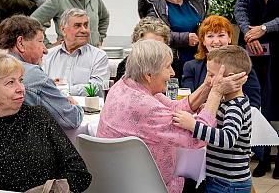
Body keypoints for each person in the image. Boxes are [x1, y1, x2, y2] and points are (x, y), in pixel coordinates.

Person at [97, 39, 247, 193]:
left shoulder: (124, 85)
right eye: (167, 67)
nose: (172, 73)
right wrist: (216, 93)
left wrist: (208, 85)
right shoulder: (145, 106)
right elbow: (197, 139)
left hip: (117, 180)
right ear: (149, 75)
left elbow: (174, 109)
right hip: (148, 184)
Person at [0, 49, 91, 192]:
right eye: (10, 83)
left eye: (20, 80)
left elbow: (79, 172)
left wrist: (52, 189)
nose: (21, 89)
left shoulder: (38, 116)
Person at [173, 45, 252, 192]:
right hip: (219, 179)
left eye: (211, 75)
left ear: (230, 78)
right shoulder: (226, 102)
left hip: (228, 183)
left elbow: (228, 139)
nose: (207, 80)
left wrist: (193, 126)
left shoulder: (235, 107)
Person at [0, 15, 84, 129]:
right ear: (21, 43)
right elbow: (71, 119)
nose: (45, 50)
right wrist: (76, 106)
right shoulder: (31, 74)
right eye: (40, 41)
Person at [234, 0, 279, 178]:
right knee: (256, 103)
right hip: (253, 49)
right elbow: (240, 9)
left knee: (277, 102)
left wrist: (264, 28)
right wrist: (249, 34)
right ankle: (263, 157)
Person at [182, 15, 261, 109]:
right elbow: (187, 101)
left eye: (221, 35)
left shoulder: (241, 63)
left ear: (229, 38)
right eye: (210, 36)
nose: (216, 41)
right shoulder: (190, 67)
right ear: (203, 41)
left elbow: (254, 103)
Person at [138, 0, 208, 84]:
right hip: (170, 62)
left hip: (197, 60)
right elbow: (154, 34)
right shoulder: (154, 4)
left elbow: (205, 26)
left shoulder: (197, 1)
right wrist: (185, 38)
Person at [42, 8, 109, 96]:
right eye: (77, 25)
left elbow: (97, 87)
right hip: (53, 106)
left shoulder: (99, 56)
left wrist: (64, 90)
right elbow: (41, 84)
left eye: (86, 25)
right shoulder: (48, 55)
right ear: (63, 30)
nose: (84, 30)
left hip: (86, 108)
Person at [31, 0, 109, 48]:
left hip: (92, 54)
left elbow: (104, 17)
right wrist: (47, 45)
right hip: (68, 55)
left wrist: (100, 38)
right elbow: (32, 22)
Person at [115, 17, 170, 82]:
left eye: (159, 45)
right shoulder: (126, 66)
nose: (155, 49)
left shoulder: (172, 64)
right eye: (148, 45)